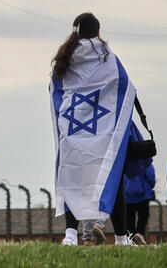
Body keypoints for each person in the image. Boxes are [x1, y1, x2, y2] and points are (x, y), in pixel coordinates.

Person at [51, 13, 137, 246]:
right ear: (98, 31)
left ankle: (70, 235)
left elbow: (55, 91)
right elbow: (125, 88)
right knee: (113, 180)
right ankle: (121, 238)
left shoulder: (66, 58)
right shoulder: (107, 57)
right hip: (102, 132)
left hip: (72, 130)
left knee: (71, 178)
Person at [124, 157, 156, 245]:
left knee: (129, 218)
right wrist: (151, 185)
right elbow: (150, 176)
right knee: (143, 215)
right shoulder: (145, 159)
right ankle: (140, 233)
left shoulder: (125, 159)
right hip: (143, 195)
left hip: (128, 195)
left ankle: (131, 238)